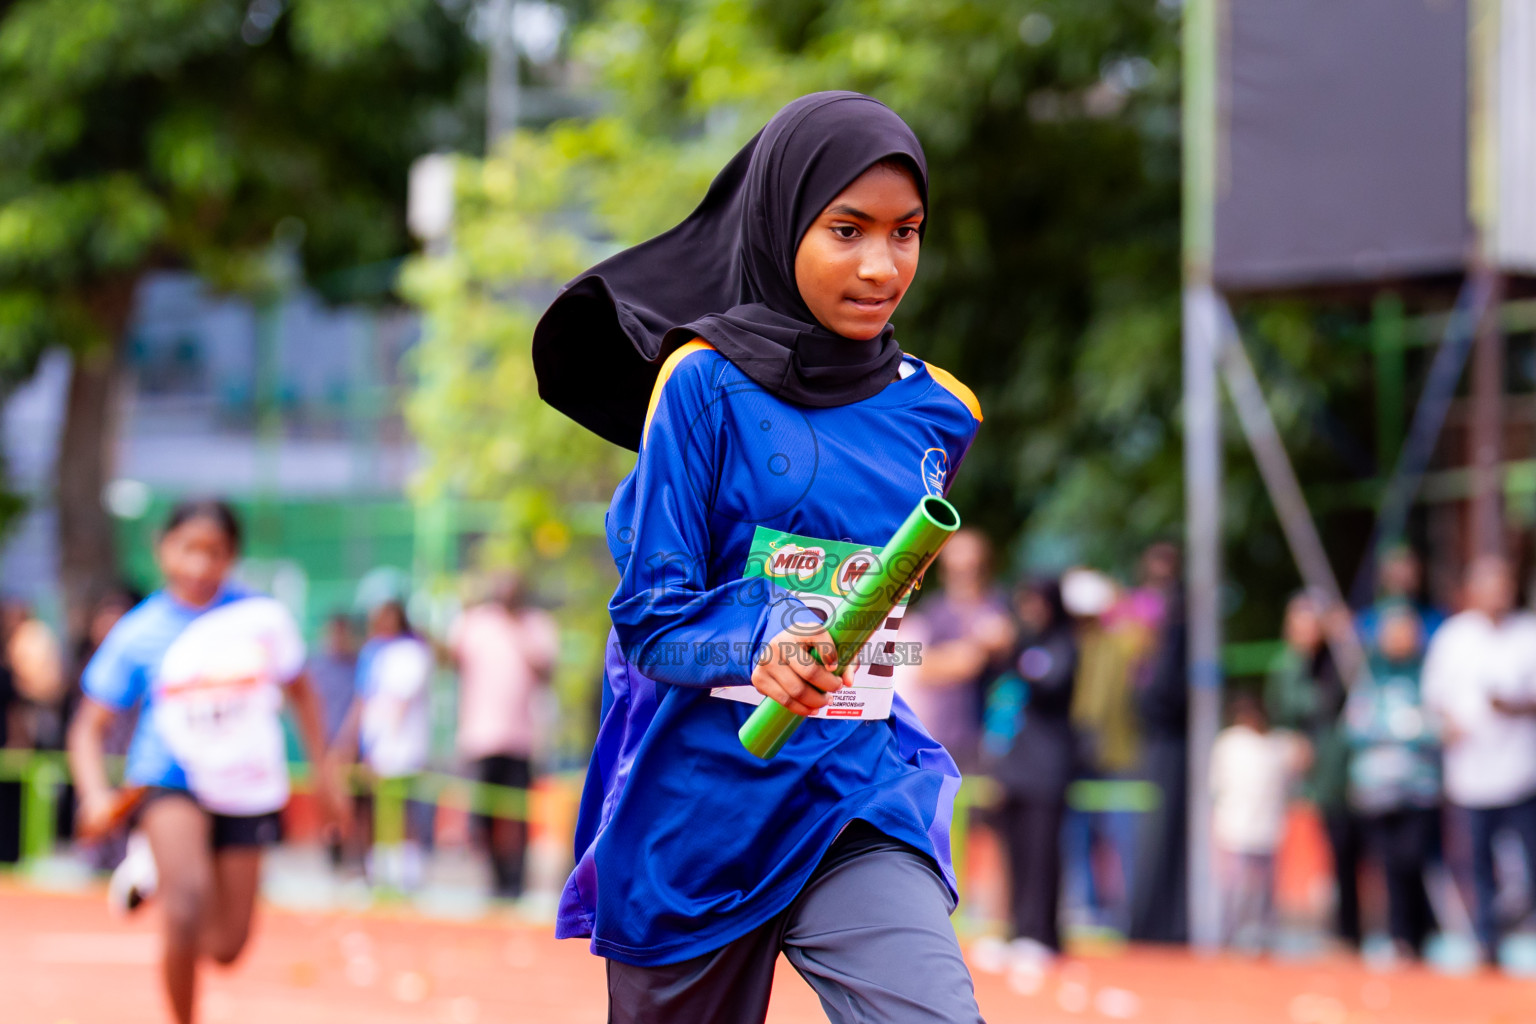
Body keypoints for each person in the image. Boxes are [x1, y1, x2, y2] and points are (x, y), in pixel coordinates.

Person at [533, 92, 985, 1022]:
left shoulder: (942, 411)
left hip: (855, 791)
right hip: (703, 813)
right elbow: (653, 617)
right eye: (847, 230)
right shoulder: (702, 385)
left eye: (907, 233)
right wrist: (766, 638)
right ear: (782, 225)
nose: (880, 265)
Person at [66, 499, 341, 1024]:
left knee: (226, 946)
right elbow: (87, 726)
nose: (199, 566)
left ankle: (155, 872)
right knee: (185, 908)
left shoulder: (259, 621)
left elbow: (304, 695)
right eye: (187, 549)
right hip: (169, 778)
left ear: (232, 557)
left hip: (245, 785)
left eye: (214, 553)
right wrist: (96, 794)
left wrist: (323, 777)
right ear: (162, 549)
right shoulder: (140, 631)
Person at [1421, 555, 1536, 968]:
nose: (1497, 593)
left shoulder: (1528, 633)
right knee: (1477, 868)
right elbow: (1432, 697)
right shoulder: (1453, 638)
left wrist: (1514, 706)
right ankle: (1488, 944)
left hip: (1522, 773)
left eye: (1503, 584)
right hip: (1469, 775)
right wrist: (1448, 725)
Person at [450, 571, 558, 901]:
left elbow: (546, 671)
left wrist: (516, 629)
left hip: (521, 737)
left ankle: (516, 883)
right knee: (482, 817)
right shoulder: (476, 623)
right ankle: (493, 880)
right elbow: (450, 658)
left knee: (517, 815)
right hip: (480, 737)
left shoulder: (537, 625)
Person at [987, 579, 1077, 967]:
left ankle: (1043, 935)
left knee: (1043, 855)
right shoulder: (1018, 648)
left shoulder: (1064, 645)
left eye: (1037, 602)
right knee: (1015, 853)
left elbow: (1049, 686)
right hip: (1014, 766)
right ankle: (1018, 930)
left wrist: (1016, 648)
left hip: (1048, 769)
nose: (1030, 610)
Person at [1265, 590, 1362, 951]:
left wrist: (1345, 638)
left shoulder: (1336, 662)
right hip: (1308, 778)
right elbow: (1285, 714)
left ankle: (1349, 930)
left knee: (1349, 851)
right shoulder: (1287, 667)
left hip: (1339, 772)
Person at [1345, 605, 1440, 961]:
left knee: (1414, 859)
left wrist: (1417, 729)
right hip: (1377, 789)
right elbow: (1355, 727)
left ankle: (1420, 935)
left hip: (1418, 788)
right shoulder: (1369, 676)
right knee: (1387, 866)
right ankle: (1398, 936)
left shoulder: (1429, 673)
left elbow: (1439, 722)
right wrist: (1399, 729)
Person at [340, 599, 435, 891]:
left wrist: (384, 745)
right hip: (372, 747)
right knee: (370, 810)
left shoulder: (411, 652)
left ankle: (405, 875)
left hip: (400, 749)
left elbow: (399, 703)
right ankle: (377, 873)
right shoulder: (374, 653)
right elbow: (364, 701)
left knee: (402, 810)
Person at [901, 529, 1014, 773]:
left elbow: (997, 649)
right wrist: (974, 648)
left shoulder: (999, 605)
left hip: (991, 739)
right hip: (941, 733)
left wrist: (956, 657)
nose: (964, 574)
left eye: (972, 566)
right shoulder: (935, 610)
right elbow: (921, 670)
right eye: (956, 566)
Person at [1209, 693, 1305, 952]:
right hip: (1237, 830)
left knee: (1262, 895)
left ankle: (1258, 940)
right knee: (1237, 892)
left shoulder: (1271, 745)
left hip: (1263, 831)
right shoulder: (1235, 744)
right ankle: (1230, 939)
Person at [306, 612, 360, 869]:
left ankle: (344, 851)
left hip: (346, 743)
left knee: (346, 800)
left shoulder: (355, 666)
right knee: (328, 796)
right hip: (324, 742)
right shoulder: (317, 667)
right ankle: (333, 850)